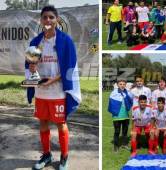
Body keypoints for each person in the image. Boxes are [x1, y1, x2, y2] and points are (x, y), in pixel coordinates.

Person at [26, 6, 81, 170]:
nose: (48, 20)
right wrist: (32, 68)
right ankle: (47, 155)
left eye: (51, 17)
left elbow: (70, 67)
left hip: (58, 91)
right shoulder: (35, 42)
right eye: (45, 17)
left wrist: (53, 80)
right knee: (43, 123)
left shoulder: (65, 41)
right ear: (41, 21)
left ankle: (64, 157)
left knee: (61, 123)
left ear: (57, 20)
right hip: (41, 91)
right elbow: (30, 65)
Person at [108, 80, 133, 154]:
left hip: (125, 115)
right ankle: (116, 146)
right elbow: (111, 104)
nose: (122, 85)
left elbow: (131, 100)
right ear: (118, 85)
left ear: (125, 85)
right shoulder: (114, 93)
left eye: (123, 84)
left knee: (125, 132)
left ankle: (124, 144)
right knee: (117, 131)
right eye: (120, 84)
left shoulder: (127, 92)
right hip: (117, 116)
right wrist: (114, 112)